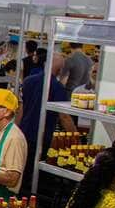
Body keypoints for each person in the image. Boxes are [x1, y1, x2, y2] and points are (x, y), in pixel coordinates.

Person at [20, 52, 76, 190]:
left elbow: (20, 108)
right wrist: (76, 139)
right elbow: (64, 117)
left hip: (23, 133)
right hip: (41, 137)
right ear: (59, 70)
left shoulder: (28, 81)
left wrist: (15, 129)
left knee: (22, 170)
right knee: (36, 175)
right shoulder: (57, 88)